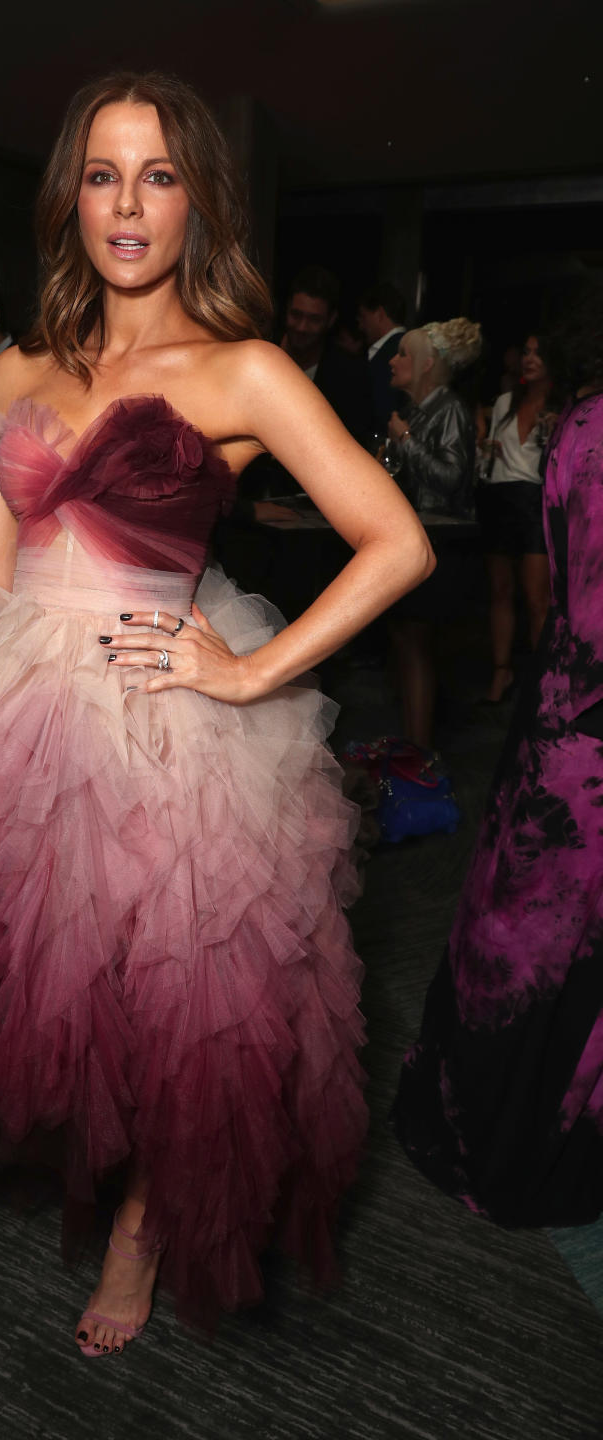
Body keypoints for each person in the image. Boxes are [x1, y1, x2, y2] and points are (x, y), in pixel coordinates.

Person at [0, 71, 431, 1365]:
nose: (128, 202)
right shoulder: (21, 371)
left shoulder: (246, 370)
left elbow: (394, 543)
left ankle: (138, 1234)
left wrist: (244, 675)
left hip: (165, 727)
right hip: (15, 716)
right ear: (71, 196)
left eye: (158, 175)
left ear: (196, 203)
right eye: (105, 173)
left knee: (162, 1009)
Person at [392, 285, 603, 1227]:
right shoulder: (596, 432)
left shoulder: (582, 426)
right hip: (586, 740)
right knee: (548, 950)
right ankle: (522, 1140)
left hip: (561, 723)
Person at [385, 318, 481, 751]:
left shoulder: (451, 410)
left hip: (441, 545)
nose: (394, 360)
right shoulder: (420, 412)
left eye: (403, 353)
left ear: (425, 364)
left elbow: (449, 477)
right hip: (418, 542)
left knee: (418, 643)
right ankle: (412, 752)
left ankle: (418, 760)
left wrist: (404, 441)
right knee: (406, 641)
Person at [477, 334, 558, 705]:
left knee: (537, 598)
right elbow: (491, 459)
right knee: (500, 592)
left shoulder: (565, 407)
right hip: (500, 497)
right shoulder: (506, 402)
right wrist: (485, 449)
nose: (529, 358)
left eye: (538, 353)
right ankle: (500, 671)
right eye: (525, 351)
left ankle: (544, 683)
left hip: (536, 501)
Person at [281, 265, 373, 445]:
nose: (301, 327)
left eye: (314, 320)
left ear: (331, 320)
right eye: (296, 315)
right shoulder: (262, 360)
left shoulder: (351, 375)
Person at [357, 281, 407, 433]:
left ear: (379, 314)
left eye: (363, 317)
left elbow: (381, 409)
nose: (360, 326)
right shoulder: (408, 346)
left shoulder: (392, 351)